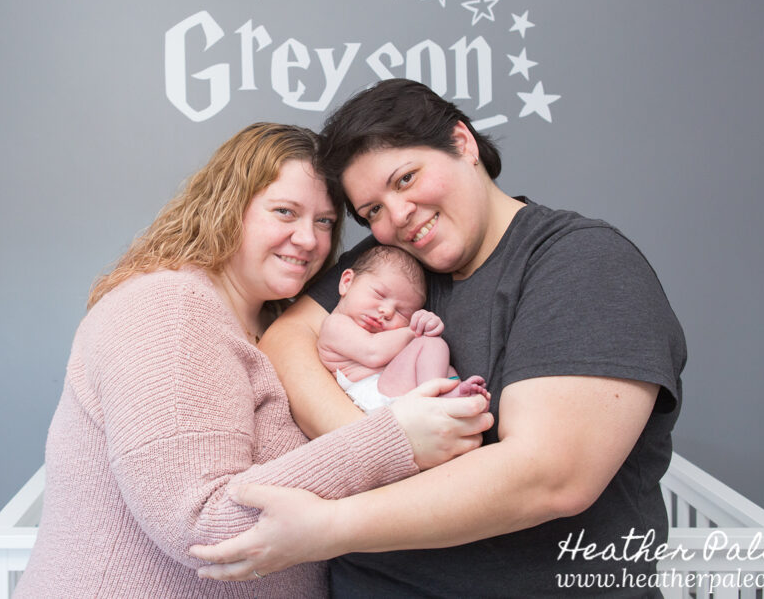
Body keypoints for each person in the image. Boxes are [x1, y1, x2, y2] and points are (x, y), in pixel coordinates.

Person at [190, 81, 687, 598]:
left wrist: (331, 526)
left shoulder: (580, 263)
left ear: (462, 143)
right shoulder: (397, 265)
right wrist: (380, 442)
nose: (397, 216)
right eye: (372, 211)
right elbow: (288, 336)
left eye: (406, 178)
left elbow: (551, 476)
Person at [14, 122, 492, 598]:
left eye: (324, 222)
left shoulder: (274, 324)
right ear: (227, 206)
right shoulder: (168, 309)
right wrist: (395, 439)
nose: (308, 240)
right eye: (285, 212)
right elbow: (201, 525)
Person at [319, 244, 488, 411]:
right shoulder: (335, 324)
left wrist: (425, 324)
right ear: (347, 282)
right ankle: (436, 398)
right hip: (371, 397)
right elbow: (373, 352)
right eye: (379, 295)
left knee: (439, 362)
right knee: (432, 344)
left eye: (401, 313)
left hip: (392, 392)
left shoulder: (389, 337)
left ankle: (455, 395)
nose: (387, 311)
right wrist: (415, 331)